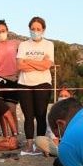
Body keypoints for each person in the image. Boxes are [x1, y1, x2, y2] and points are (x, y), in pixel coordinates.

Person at [18, 16, 54, 154]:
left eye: (38, 29)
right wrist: (39, 63)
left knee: (40, 114)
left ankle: (40, 145)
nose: (35, 31)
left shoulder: (49, 45)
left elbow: (47, 65)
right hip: (24, 84)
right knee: (28, 116)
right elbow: (19, 65)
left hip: (43, 84)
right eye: (33, 29)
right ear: (29, 29)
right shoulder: (23, 45)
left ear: (43, 30)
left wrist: (28, 61)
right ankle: (29, 145)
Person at [0, 19, 21, 129]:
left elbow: (22, 58)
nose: (0, 33)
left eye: (2, 31)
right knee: (1, 111)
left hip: (13, 80)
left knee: (12, 110)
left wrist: (18, 74)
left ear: (7, 30)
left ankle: (15, 135)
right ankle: (5, 136)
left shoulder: (16, 43)